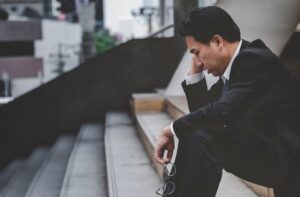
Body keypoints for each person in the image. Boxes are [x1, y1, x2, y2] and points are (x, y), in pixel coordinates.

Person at [154, 6, 300, 197]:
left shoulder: (254, 61)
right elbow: (205, 117)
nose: (198, 60)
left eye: (197, 52)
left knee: (202, 136)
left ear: (217, 41)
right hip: (273, 155)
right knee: (197, 132)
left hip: (291, 162)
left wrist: (171, 129)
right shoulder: (235, 69)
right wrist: (196, 74)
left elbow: (221, 112)